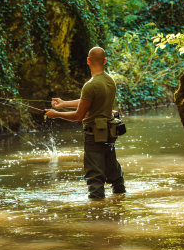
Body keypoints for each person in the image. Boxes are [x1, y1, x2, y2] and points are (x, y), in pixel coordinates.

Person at [45, 46, 125, 199]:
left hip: (93, 136)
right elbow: (87, 102)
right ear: (105, 61)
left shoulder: (90, 85)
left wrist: (56, 114)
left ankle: (97, 214)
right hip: (110, 134)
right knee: (114, 174)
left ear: (88, 61)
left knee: (95, 178)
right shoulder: (110, 81)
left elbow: (78, 116)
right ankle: (119, 203)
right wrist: (63, 103)